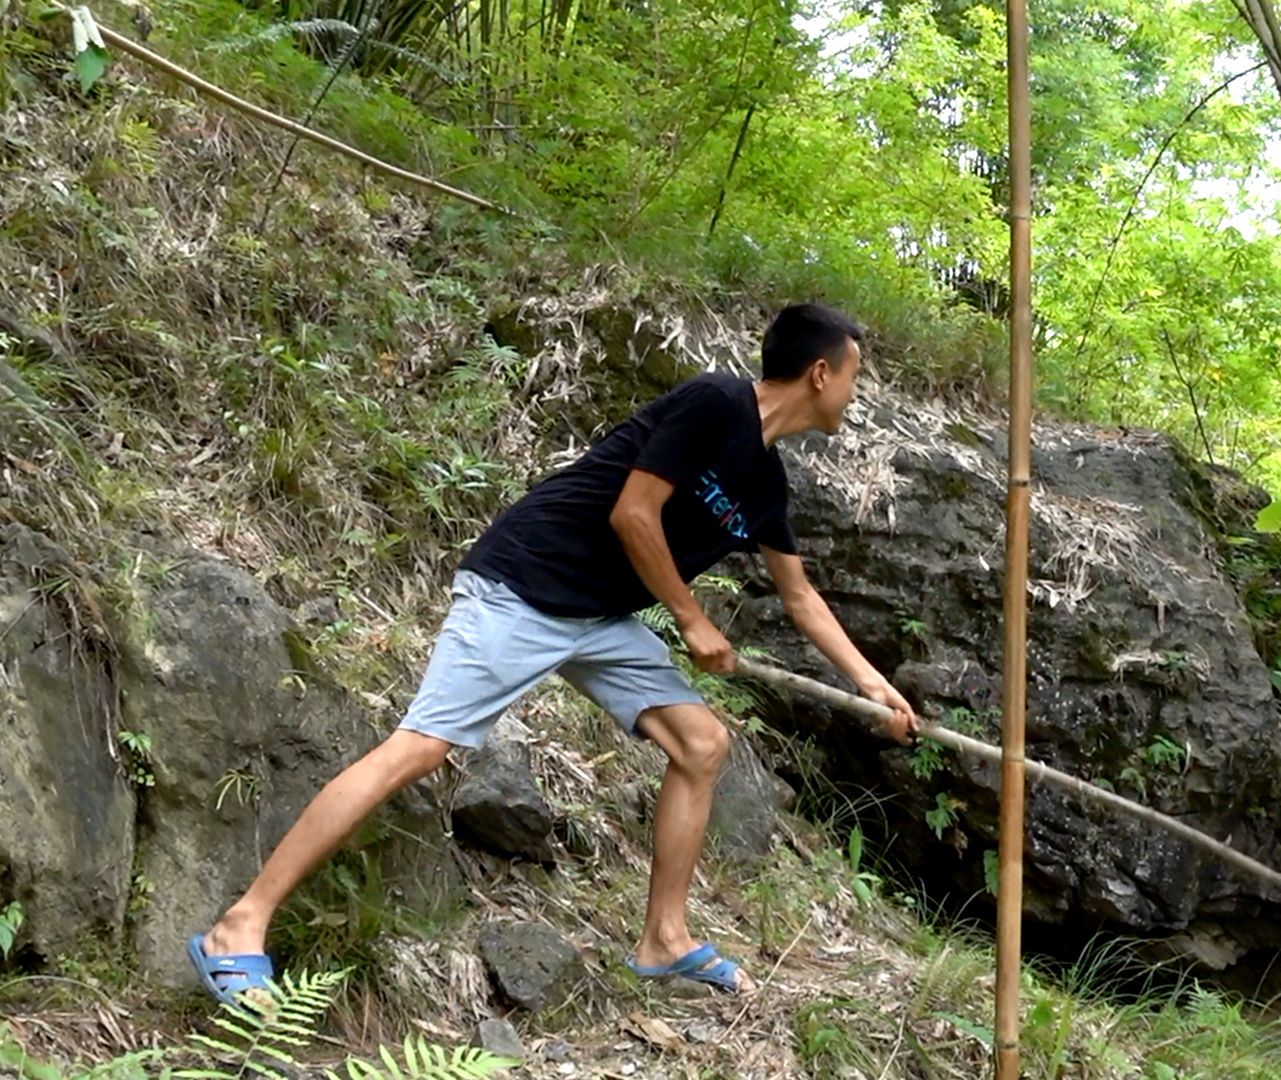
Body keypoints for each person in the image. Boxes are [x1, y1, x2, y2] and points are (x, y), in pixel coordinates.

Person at [187, 302, 917, 1002]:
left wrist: (873, 687)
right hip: (524, 584)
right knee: (421, 748)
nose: (855, 395)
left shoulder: (766, 483)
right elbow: (633, 513)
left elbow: (801, 598)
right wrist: (691, 619)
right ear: (821, 372)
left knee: (701, 743)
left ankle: (664, 938)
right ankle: (239, 925)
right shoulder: (716, 403)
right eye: (854, 375)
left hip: (596, 616)